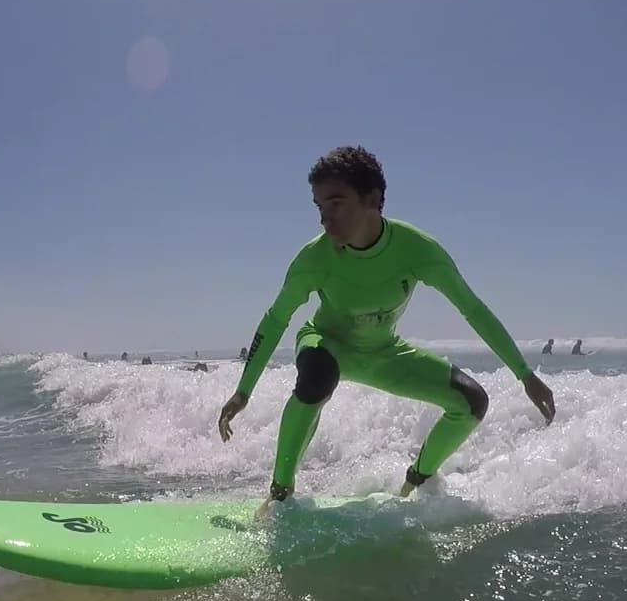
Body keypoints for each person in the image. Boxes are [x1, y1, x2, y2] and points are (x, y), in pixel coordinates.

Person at [217, 146, 555, 516]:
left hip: (383, 354)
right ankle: (279, 494)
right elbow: (275, 319)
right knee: (317, 377)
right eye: (319, 208)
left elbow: (471, 308)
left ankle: (412, 485)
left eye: (336, 204)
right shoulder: (314, 259)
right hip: (326, 344)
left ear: (373, 199)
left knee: (472, 402)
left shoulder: (418, 250)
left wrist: (524, 375)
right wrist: (243, 392)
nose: (325, 220)